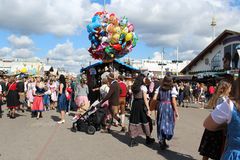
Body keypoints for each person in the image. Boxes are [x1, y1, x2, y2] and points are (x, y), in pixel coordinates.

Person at [199, 81, 232, 160]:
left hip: (213, 124)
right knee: (216, 150)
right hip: (218, 126)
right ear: (225, 89)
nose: (230, 90)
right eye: (230, 88)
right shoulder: (223, 99)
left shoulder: (218, 97)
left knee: (207, 149)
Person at [128, 73, 155, 147]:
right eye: (144, 78)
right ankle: (148, 138)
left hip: (135, 104)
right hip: (141, 104)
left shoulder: (134, 86)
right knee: (145, 120)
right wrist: (148, 108)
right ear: (141, 79)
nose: (144, 79)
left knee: (134, 120)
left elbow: (133, 96)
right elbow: (145, 99)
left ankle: (132, 140)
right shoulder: (143, 87)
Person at [153, 74, 179, 150]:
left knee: (161, 122)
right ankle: (166, 137)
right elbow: (173, 101)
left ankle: (162, 140)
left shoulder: (159, 88)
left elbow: (154, 97)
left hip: (161, 106)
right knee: (169, 122)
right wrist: (176, 111)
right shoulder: (172, 88)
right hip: (169, 106)